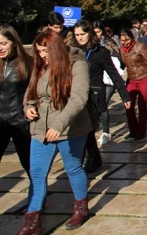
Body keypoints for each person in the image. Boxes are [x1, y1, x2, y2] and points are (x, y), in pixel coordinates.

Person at [19, 30, 92, 233]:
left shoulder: (77, 64)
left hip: (71, 128)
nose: (43, 56)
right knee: (37, 172)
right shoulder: (40, 66)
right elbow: (30, 93)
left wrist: (59, 125)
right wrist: (28, 107)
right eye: (39, 51)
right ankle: (32, 221)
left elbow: (78, 98)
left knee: (73, 168)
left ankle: (81, 207)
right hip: (41, 128)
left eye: (46, 51)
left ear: (57, 49)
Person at [73, 21, 131, 172]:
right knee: (84, 130)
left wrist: (125, 96)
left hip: (93, 96)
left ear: (90, 33)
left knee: (87, 129)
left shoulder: (101, 52)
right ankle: (94, 158)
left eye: (82, 34)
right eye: (77, 35)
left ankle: (90, 159)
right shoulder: (72, 51)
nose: (79, 38)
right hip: (75, 96)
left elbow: (114, 74)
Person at [0, 25, 33, 201]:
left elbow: (34, 91)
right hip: (0, 122)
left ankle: (36, 199)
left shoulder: (27, 63)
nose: (0, 48)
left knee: (28, 163)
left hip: (20, 120)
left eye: (3, 43)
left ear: (13, 42)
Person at [118, 29, 147, 141]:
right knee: (128, 106)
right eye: (123, 41)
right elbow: (122, 65)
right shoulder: (121, 50)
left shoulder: (140, 47)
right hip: (131, 80)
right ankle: (132, 130)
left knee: (142, 105)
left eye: (127, 40)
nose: (126, 43)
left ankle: (141, 131)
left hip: (144, 78)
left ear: (132, 38)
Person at [92, 21, 124, 146]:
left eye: (98, 32)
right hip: (96, 79)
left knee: (103, 103)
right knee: (96, 105)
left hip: (109, 79)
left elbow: (117, 61)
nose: (96, 35)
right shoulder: (89, 45)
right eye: (94, 32)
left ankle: (106, 132)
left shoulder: (109, 43)